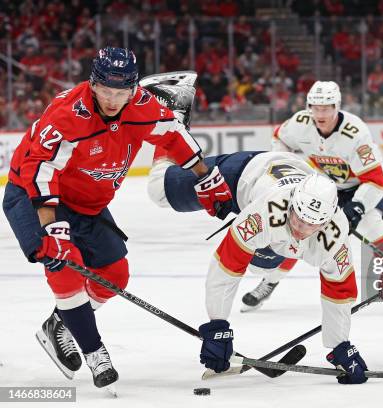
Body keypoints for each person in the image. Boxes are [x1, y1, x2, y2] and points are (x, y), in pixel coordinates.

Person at [2, 47, 233, 390]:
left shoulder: (142, 106)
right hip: (34, 194)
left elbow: (173, 133)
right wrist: (52, 227)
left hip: (88, 203)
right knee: (64, 261)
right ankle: (95, 353)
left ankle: (61, 324)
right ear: (93, 84)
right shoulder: (68, 114)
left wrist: (206, 176)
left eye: (121, 92)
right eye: (106, 91)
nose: (112, 100)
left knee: (115, 274)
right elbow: (40, 170)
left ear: (134, 88)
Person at [147, 151, 369, 384]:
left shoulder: (335, 239)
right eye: (298, 219)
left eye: (311, 225)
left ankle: (275, 262)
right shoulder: (264, 214)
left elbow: (340, 291)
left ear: (326, 221)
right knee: (158, 192)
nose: (301, 229)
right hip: (241, 174)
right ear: (292, 203)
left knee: (262, 266)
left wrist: (340, 344)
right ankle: (171, 136)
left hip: (285, 181)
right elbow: (227, 267)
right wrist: (217, 325)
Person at [246, 80, 383, 315]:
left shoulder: (355, 133)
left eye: (326, 107)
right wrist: (286, 164)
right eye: (315, 107)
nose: (320, 113)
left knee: (372, 226)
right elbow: (280, 137)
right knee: (301, 231)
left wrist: (357, 208)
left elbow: (375, 181)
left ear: (337, 106)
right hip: (333, 187)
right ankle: (270, 281)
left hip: (369, 184)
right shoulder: (300, 123)